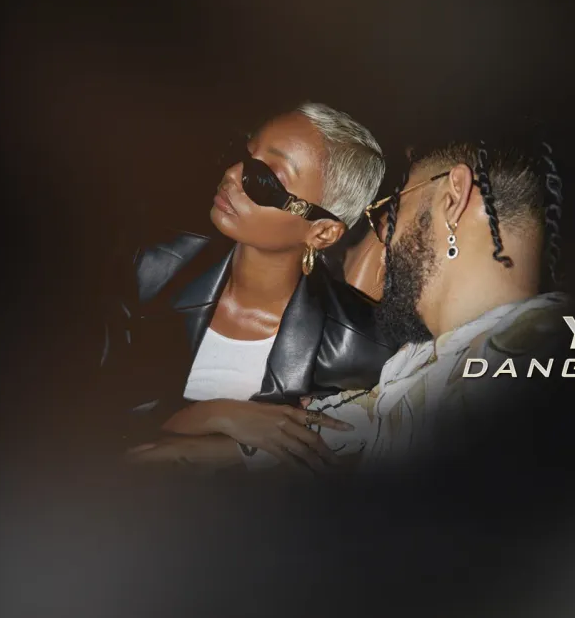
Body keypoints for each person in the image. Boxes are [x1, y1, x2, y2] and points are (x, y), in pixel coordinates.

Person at [197, 133, 571, 471]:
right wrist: (217, 416)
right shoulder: (418, 363)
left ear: (453, 198)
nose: (385, 236)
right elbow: (279, 444)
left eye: (392, 208)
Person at [100, 102, 397, 472]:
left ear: (321, 232)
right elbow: (81, 422)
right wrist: (215, 415)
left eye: (264, 181)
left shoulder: (363, 349)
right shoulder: (149, 271)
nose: (232, 175)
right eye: (243, 155)